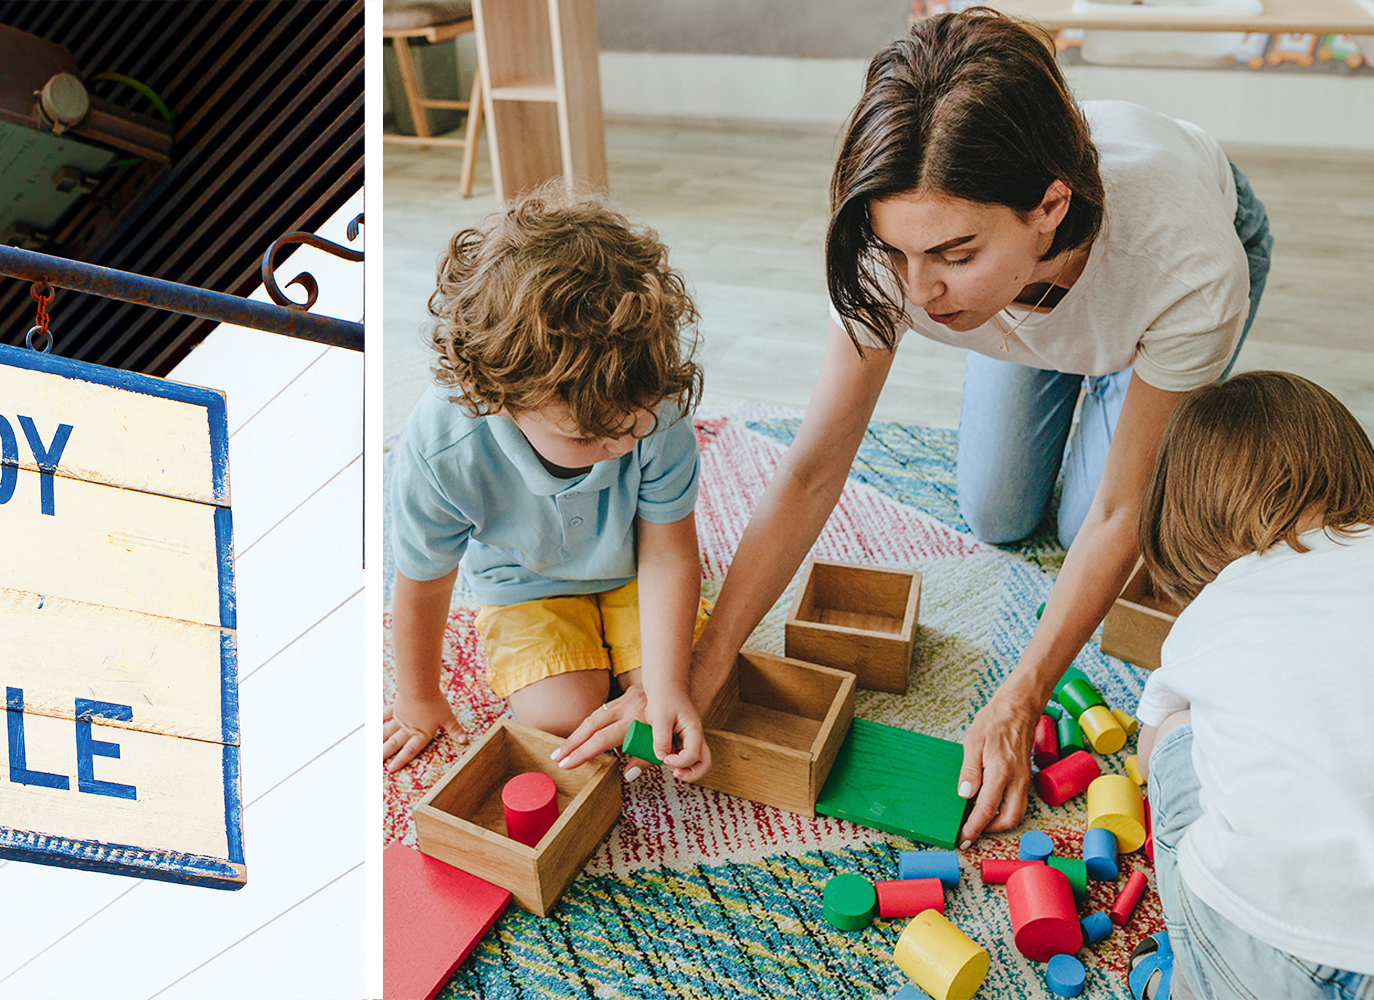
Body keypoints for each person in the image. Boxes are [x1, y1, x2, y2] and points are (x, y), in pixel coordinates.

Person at [559, 7, 1273, 846]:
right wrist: (703, 663)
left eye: (954, 253)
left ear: (1047, 207)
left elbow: (1120, 517)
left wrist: (1019, 697)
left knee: (1094, 527)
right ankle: (1022, 318)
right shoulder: (891, 247)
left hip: (1144, 283)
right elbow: (813, 468)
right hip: (1022, 297)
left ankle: (1072, 344)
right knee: (999, 512)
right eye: (902, 255)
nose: (920, 294)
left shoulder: (1189, 265)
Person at [381, 183, 714, 778]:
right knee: (559, 720)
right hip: (524, 581)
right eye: (588, 438)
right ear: (497, 398)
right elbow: (424, 584)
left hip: (638, 566)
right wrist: (419, 697)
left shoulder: (652, 407)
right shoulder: (441, 449)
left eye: (633, 427)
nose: (621, 445)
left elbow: (668, 553)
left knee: (680, 698)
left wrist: (664, 688)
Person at [1131, 371, 1374, 999]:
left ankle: (1184, 983)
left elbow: (1148, 750)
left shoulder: (1217, 607)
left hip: (1268, 944)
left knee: (1179, 733)